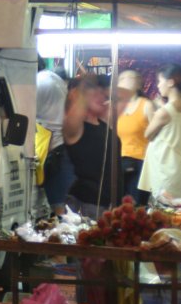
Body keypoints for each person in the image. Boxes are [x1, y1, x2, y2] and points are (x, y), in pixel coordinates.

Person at [62, 74, 121, 219]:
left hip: (109, 204)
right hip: (87, 204)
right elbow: (76, 108)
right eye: (95, 93)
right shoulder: (75, 129)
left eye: (103, 94)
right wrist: (84, 86)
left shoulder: (104, 127)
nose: (101, 97)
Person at [138, 64, 181, 202]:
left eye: (160, 81)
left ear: (170, 82)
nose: (158, 85)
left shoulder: (164, 112)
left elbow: (148, 134)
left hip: (168, 171)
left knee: (168, 216)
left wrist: (160, 109)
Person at [36, 67, 74, 215]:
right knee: (62, 205)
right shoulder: (54, 81)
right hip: (61, 148)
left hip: (53, 150)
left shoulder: (40, 82)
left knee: (60, 207)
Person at [115, 69, 154, 205]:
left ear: (139, 83)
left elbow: (157, 136)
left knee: (137, 206)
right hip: (118, 162)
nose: (126, 80)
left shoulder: (146, 105)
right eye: (122, 78)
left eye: (130, 77)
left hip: (141, 163)